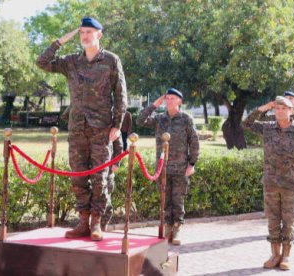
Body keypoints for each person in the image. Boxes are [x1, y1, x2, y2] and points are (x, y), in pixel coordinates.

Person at [37, 17, 127, 241]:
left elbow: (121, 94)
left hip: (101, 129)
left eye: (89, 32)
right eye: (82, 32)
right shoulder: (71, 62)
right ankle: (83, 221)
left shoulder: (110, 61)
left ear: (99, 34)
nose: (85, 36)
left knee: (99, 178)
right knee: (78, 176)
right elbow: (42, 62)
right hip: (77, 127)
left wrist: (117, 125)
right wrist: (60, 41)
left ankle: (96, 222)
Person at [244, 96, 294, 270]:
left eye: (284, 109)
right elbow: (246, 123)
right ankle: (275, 255)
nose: (280, 111)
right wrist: (264, 107)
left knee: (289, 221)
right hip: (271, 183)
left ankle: (286, 256)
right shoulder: (267, 128)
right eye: (277, 108)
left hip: (291, 184)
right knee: (273, 221)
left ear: (291, 111)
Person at [136, 88, 199, 245]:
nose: (169, 101)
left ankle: (176, 230)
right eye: (167, 98)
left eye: (172, 98)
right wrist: (154, 105)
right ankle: (167, 229)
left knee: (177, 201)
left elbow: (194, 142)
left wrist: (192, 163)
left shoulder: (186, 119)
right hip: (163, 168)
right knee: (165, 201)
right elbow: (140, 120)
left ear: (179, 101)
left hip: (180, 167)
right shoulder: (159, 119)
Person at [261, 90, 294, 227]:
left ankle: (291, 226)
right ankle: (284, 228)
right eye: (286, 98)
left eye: (291, 98)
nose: (288, 100)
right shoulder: (277, 117)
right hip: (279, 170)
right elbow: (258, 122)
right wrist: (266, 107)